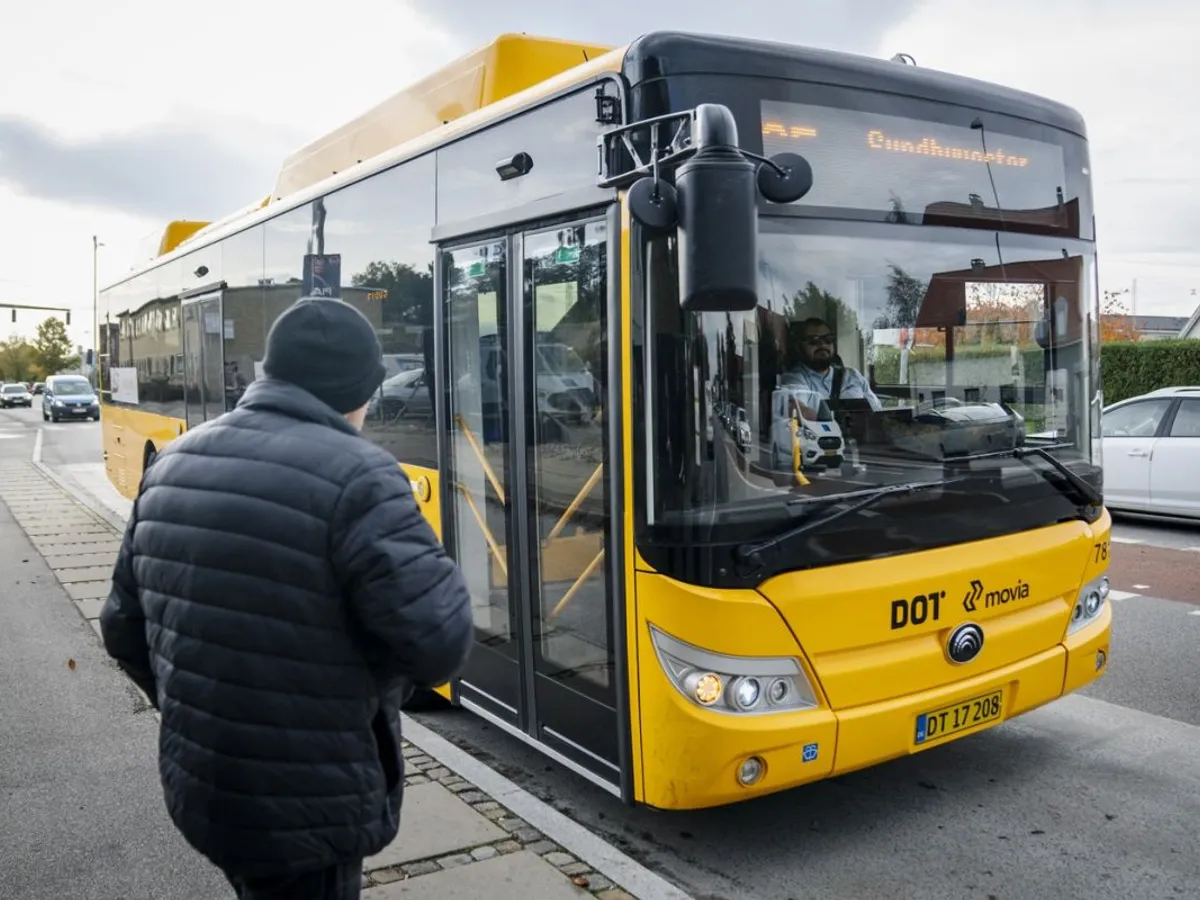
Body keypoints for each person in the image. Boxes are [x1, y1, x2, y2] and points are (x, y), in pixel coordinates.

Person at [99, 297, 474, 900]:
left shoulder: (172, 464)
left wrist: (197, 703)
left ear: (268, 372)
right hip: (310, 802)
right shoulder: (364, 477)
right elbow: (441, 645)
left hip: (206, 783)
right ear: (362, 391)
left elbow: (121, 629)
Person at [783, 316, 882, 412]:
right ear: (799, 347)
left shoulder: (853, 376)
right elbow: (798, 412)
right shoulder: (794, 379)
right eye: (813, 341)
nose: (822, 345)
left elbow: (877, 410)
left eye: (828, 339)